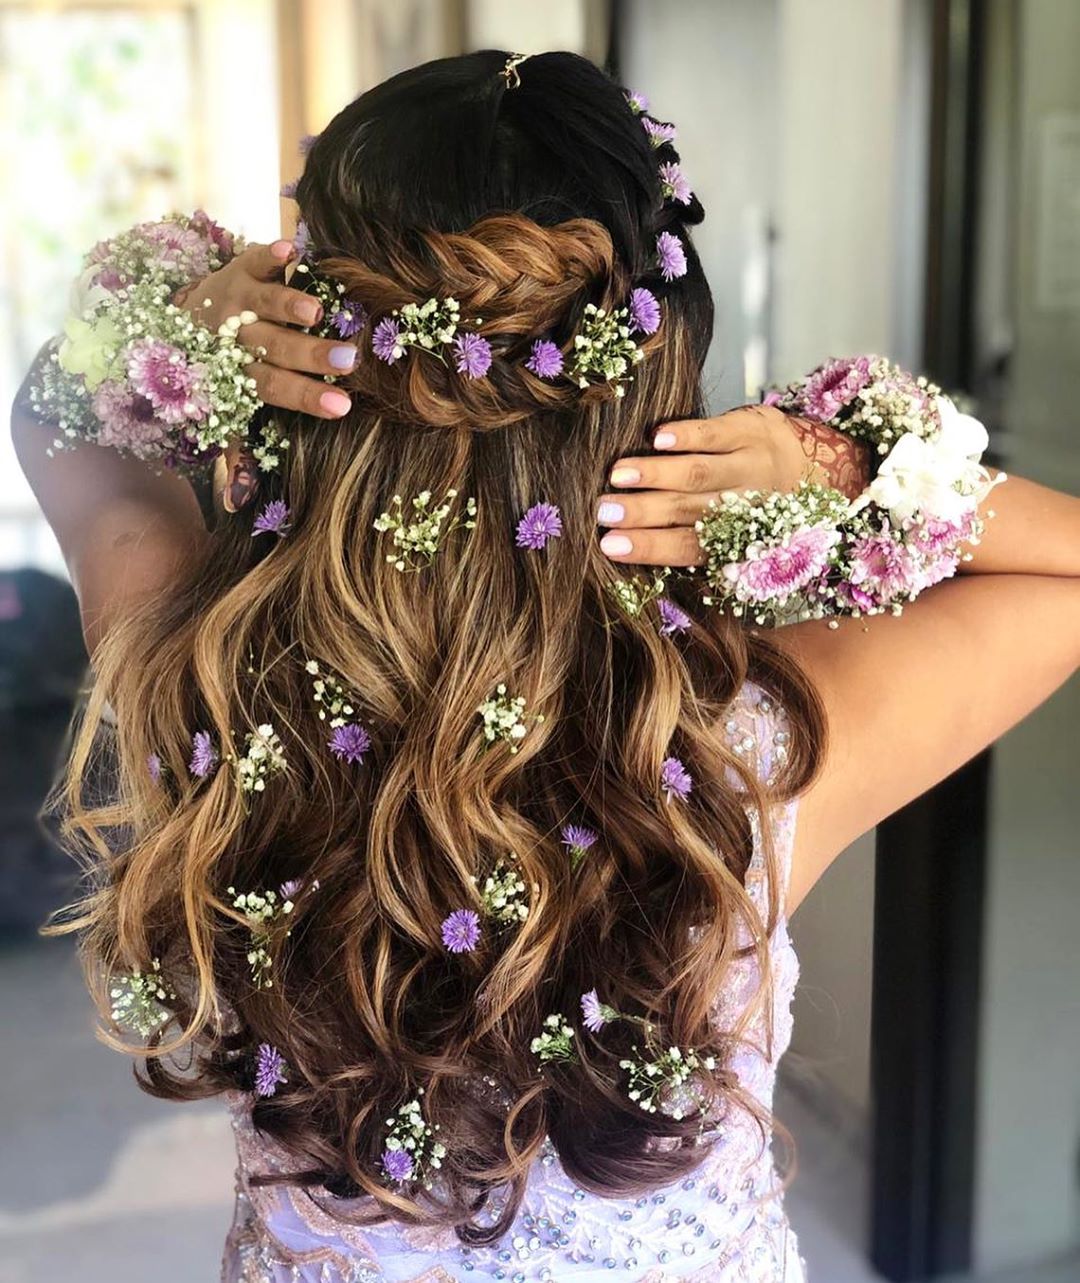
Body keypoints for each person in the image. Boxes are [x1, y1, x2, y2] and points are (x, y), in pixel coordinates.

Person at [10, 48, 1079, 1283]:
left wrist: (166, 336)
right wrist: (833, 472)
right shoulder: (739, 755)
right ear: (660, 367)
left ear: (301, 349)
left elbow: (54, 418)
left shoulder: (200, 684)